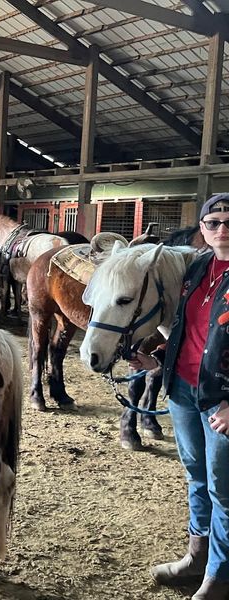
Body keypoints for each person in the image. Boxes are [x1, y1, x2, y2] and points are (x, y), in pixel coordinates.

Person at [130, 193, 229, 600]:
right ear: (202, 230)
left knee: (224, 488)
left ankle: (219, 576)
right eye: (214, 222)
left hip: (221, 400)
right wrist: (158, 360)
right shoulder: (198, 267)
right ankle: (197, 556)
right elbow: (189, 331)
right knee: (197, 478)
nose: (222, 229)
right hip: (184, 391)